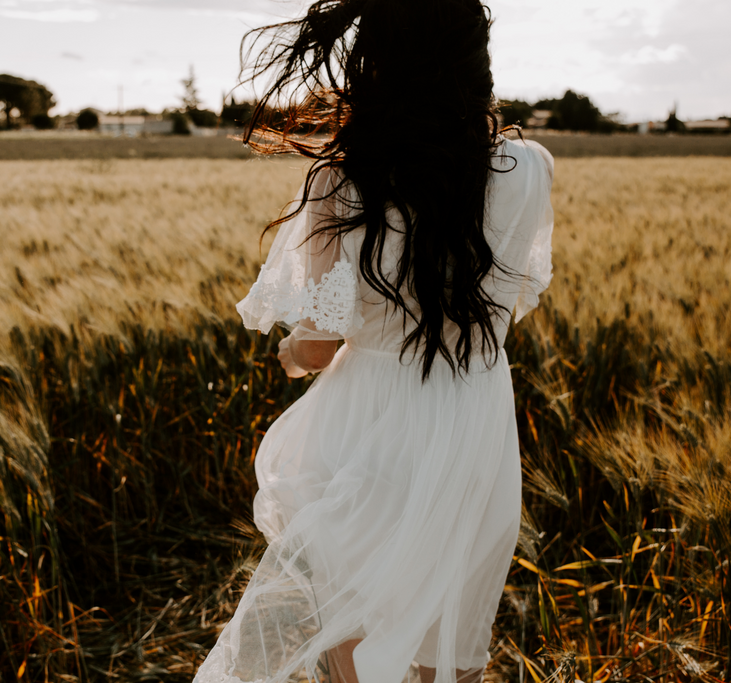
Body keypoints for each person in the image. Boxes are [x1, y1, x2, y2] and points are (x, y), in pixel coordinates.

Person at [193, 2, 554, 683]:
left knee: (350, 620)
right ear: (476, 64)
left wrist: (291, 354)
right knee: (453, 619)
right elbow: (506, 296)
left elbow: (324, 341)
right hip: (475, 415)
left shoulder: (342, 179)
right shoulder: (530, 167)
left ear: (378, 66)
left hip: (371, 418)